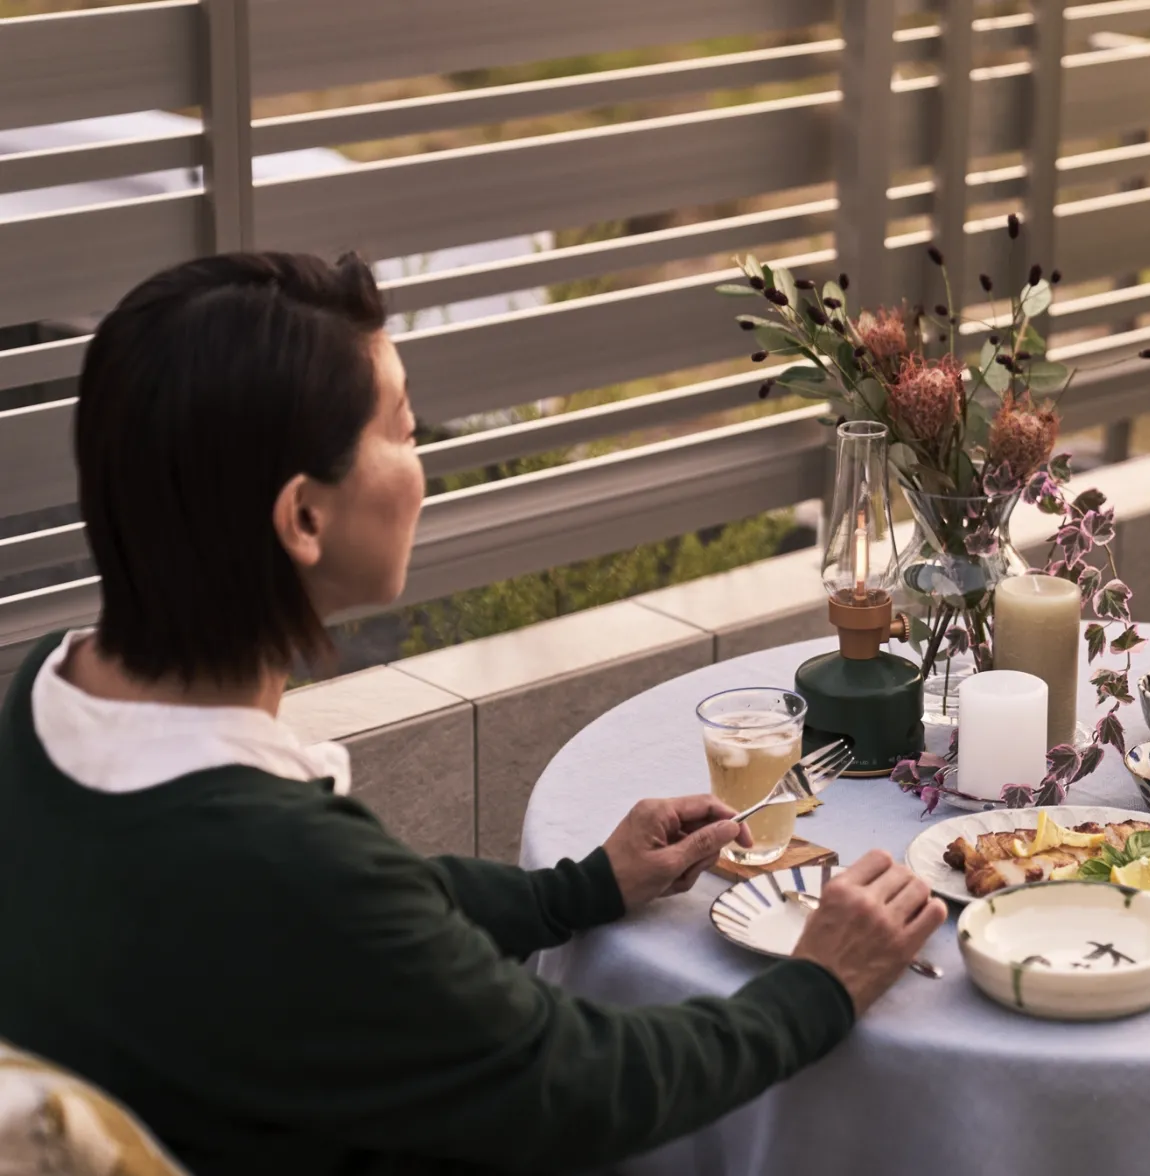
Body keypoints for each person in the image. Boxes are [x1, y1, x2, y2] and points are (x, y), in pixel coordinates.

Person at [0, 252, 945, 1173]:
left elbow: (348, 923)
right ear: (304, 520)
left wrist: (574, 892)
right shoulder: (292, 868)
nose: (424, 464)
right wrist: (819, 984)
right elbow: (578, 1085)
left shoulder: (48, 704)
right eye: (406, 432)